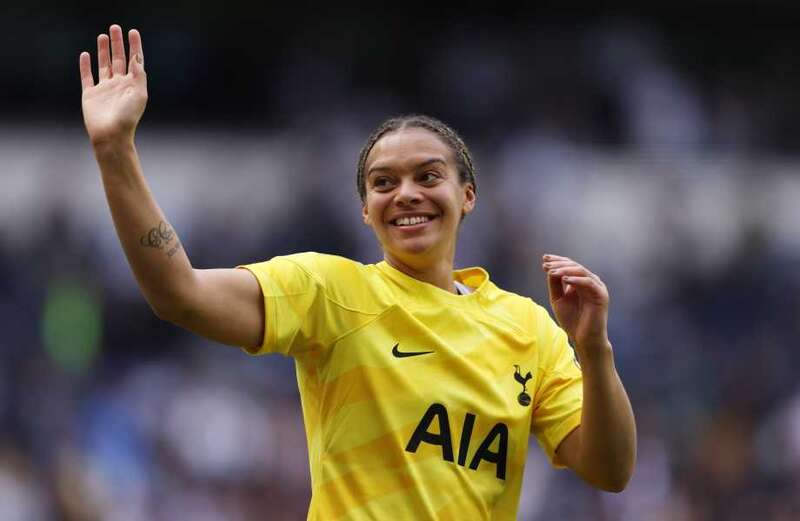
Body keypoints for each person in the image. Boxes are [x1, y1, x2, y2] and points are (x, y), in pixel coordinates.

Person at [79, 24, 636, 520]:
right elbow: (181, 293)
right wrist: (115, 150)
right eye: (384, 183)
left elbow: (609, 470)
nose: (406, 194)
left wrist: (595, 350)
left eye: (428, 175)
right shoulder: (330, 292)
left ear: (467, 195)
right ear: (365, 210)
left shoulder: (528, 328)